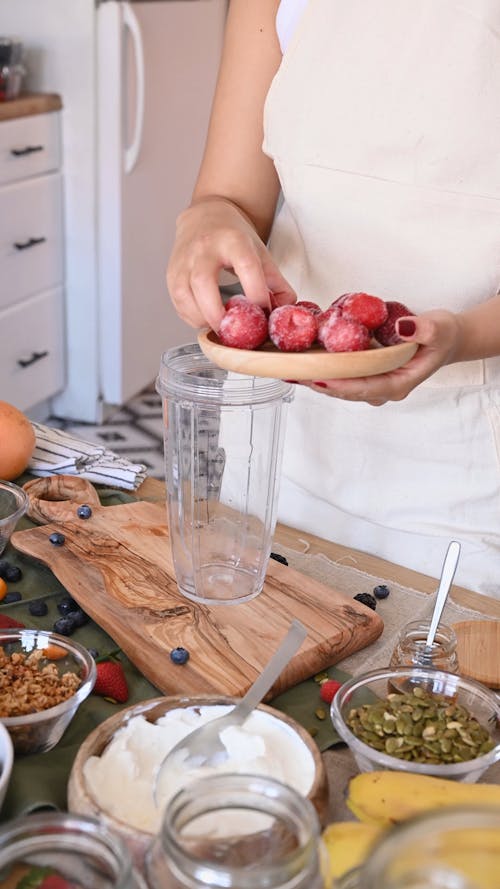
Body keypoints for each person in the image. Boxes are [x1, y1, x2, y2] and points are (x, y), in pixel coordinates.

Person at [166, 0, 500, 597]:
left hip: (468, 474)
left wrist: (461, 337)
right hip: (284, 443)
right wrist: (205, 220)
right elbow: (230, 192)